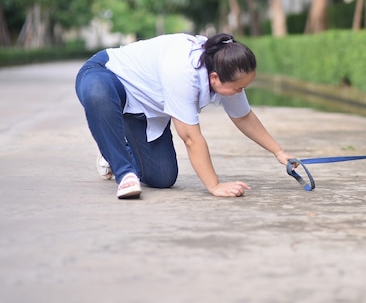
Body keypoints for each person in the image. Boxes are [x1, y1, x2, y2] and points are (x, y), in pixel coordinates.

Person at [75, 32, 295, 199]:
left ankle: (112, 151)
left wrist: (279, 152)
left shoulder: (224, 66)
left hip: (142, 108)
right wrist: (215, 186)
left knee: (162, 177)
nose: (240, 92)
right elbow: (191, 138)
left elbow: (243, 116)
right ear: (215, 78)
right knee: (97, 94)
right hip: (107, 75)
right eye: (238, 88)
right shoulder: (184, 71)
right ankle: (123, 172)